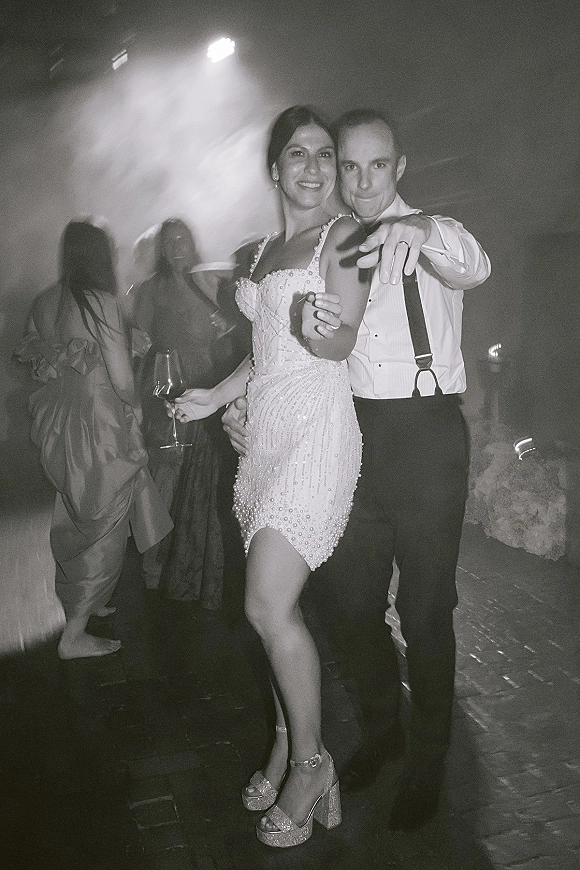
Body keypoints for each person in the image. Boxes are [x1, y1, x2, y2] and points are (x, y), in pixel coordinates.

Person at [224, 108, 492, 832]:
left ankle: (429, 757)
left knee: (428, 608)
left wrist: (422, 231)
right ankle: (381, 732)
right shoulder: (333, 243)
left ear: (400, 168)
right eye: (351, 166)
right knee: (350, 604)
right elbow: (298, 353)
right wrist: (245, 403)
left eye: (379, 165)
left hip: (426, 434)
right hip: (352, 434)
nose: (363, 180)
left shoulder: (433, 233)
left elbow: (474, 263)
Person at [171, 105, 370, 847]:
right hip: (264, 435)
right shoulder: (260, 254)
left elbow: (336, 336)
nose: (315, 168)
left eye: (325, 155)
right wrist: (216, 398)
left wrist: (331, 333)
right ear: (275, 169)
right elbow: (265, 351)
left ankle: (313, 761)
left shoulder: (342, 236)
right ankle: (289, 742)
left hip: (318, 429)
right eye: (298, 155)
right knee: (271, 609)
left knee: (265, 603)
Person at [14, 220, 173, 660]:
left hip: (60, 419)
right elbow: (122, 380)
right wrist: (137, 402)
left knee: (77, 508)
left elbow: (41, 357)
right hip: (98, 420)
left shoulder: (46, 300)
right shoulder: (99, 301)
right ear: (99, 255)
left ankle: (88, 598)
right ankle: (73, 636)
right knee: (105, 518)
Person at [131, 218, 245, 608]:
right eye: (170, 242)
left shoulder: (206, 281)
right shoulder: (150, 289)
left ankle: (194, 563)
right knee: (165, 474)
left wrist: (224, 325)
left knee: (201, 478)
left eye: (183, 239)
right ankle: (153, 564)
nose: (177, 246)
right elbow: (136, 340)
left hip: (209, 384)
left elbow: (232, 329)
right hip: (166, 385)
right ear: (162, 249)